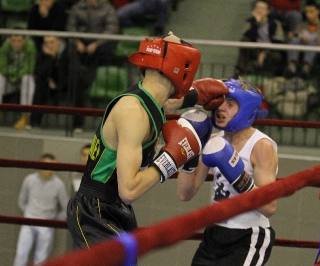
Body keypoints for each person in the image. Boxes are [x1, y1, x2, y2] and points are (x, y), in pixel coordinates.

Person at [66, 32, 230, 252]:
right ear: (181, 67)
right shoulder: (133, 112)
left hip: (115, 207)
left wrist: (196, 95)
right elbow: (130, 190)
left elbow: (169, 103)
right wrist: (171, 158)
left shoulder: (151, 98)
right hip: (96, 209)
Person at [177, 79, 278, 266]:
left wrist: (238, 176)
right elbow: (185, 194)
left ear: (247, 109)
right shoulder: (213, 141)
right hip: (214, 232)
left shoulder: (261, 146)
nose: (221, 108)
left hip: (247, 235)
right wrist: (188, 154)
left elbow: (269, 207)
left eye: (230, 104)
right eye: (219, 102)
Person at [66, 0, 119, 133]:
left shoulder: (107, 8)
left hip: (100, 46)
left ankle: (84, 79)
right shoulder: (77, 7)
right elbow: (70, 27)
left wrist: (96, 43)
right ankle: (82, 78)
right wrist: (77, 41)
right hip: (80, 45)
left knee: (103, 51)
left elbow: (112, 29)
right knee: (69, 51)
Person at [13, 153, 69, 266]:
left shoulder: (58, 184)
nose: (51, 170)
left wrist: (53, 220)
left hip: (46, 224)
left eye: (54, 167)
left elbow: (66, 207)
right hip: (28, 221)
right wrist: (29, 213)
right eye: (48, 166)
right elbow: (22, 201)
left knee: (41, 259)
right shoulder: (29, 180)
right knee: (20, 254)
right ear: (40, 166)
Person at [234, 0, 285, 78]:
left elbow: (278, 42)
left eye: (262, 8)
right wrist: (256, 23)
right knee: (245, 41)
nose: (259, 10)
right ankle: (240, 72)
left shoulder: (275, 24)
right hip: (254, 50)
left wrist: (265, 52)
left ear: (268, 11)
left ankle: (267, 75)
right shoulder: (250, 22)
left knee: (277, 56)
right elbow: (248, 36)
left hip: (269, 51)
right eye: (257, 8)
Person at [30, 35, 71, 129]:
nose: (48, 45)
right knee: (41, 85)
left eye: (51, 42)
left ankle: (77, 125)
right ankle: (34, 122)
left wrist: (57, 85)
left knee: (77, 84)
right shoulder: (43, 54)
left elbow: (69, 73)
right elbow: (39, 73)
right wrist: (49, 58)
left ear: (59, 42)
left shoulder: (67, 52)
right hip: (49, 84)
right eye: (46, 43)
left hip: (65, 84)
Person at [0, 32, 36, 130]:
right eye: (13, 41)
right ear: (10, 40)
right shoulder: (6, 46)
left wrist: (13, 73)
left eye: (19, 41)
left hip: (21, 78)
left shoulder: (30, 46)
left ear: (24, 40)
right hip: (11, 81)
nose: (16, 44)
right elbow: (2, 67)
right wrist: (13, 75)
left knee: (27, 79)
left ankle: (25, 116)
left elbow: (29, 68)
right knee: (0, 78)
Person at [284, 0, 320, 79]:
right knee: (294, 40)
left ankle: (306, 68)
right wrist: (292, 36)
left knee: (312, 42)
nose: (308, 15)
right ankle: (291, 67)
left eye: (311, 12)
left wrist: (306, 39)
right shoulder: (302, 25)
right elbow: (296, 36)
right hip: (300, 53)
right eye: (307, 12)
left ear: (318, 11)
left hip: (315, 54)